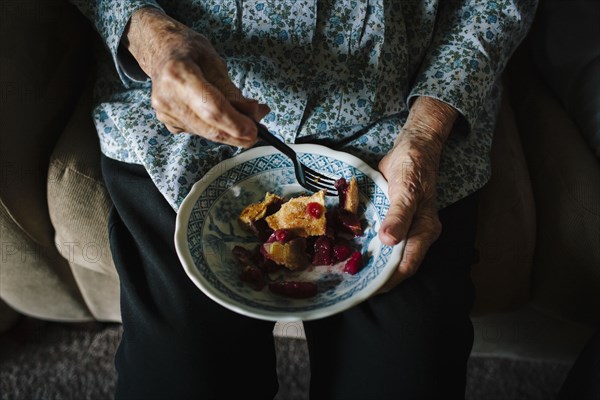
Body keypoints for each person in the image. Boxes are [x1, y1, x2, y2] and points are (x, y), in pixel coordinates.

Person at [69, 1, 537, 398]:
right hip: (184, 114)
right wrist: (154, 39)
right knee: (179, 376)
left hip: (401, 123)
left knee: (405, 375)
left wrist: (426, 133)